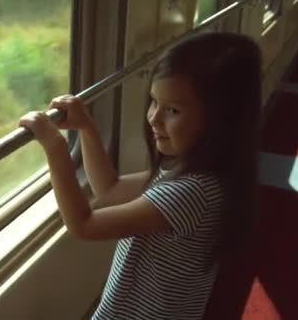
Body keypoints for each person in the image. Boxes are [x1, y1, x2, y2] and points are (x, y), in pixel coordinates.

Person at [18, 32, 262, 320]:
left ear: (222, 119)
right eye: (153, 101)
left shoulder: (191, 191)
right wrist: (85, 127)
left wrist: (56, 148)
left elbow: (84, 225)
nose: (154, 118)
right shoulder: (192, 169)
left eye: (172, 110)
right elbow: (110, 189)